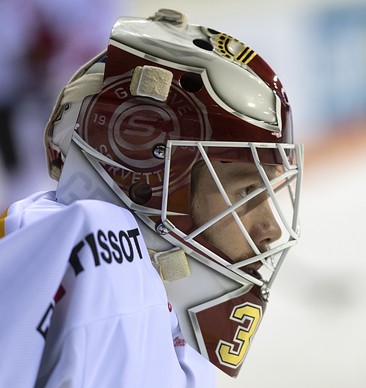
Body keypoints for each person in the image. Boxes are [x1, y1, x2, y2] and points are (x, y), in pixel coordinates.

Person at [0, 8, 303, 387]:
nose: (272, 229)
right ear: (147, 182)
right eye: (245, 191)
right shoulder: (96, 264)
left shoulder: (164, 315)